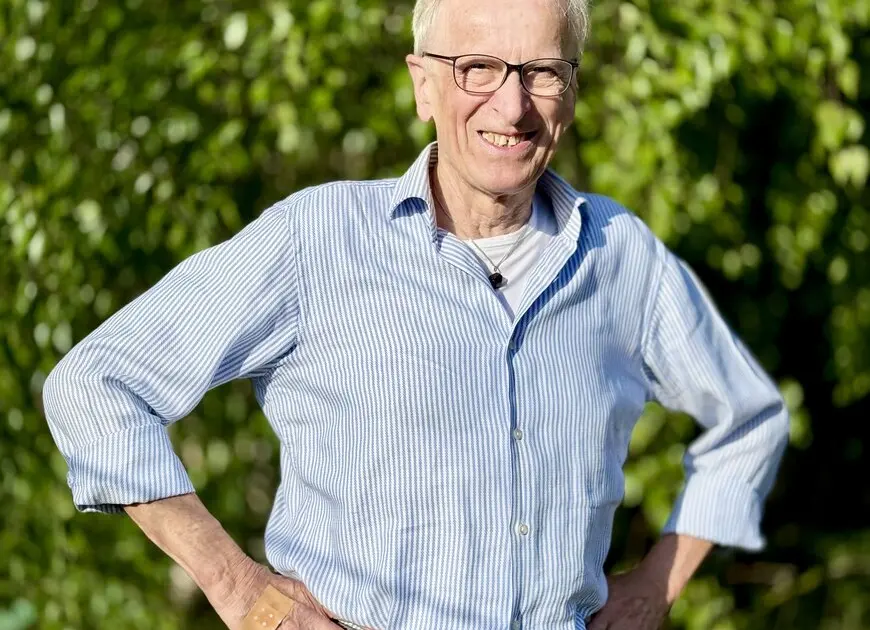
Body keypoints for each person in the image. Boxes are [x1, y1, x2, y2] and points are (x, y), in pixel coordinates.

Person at [42, 0, 790, 628]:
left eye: (541, 72)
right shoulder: (317, 239)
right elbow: (94, 386)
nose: (513, 104)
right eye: (478, 69)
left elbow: (750, 418)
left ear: (573, 86)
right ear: (422, 84)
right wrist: (235, 585)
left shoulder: (623, 256)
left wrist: (657, 583)